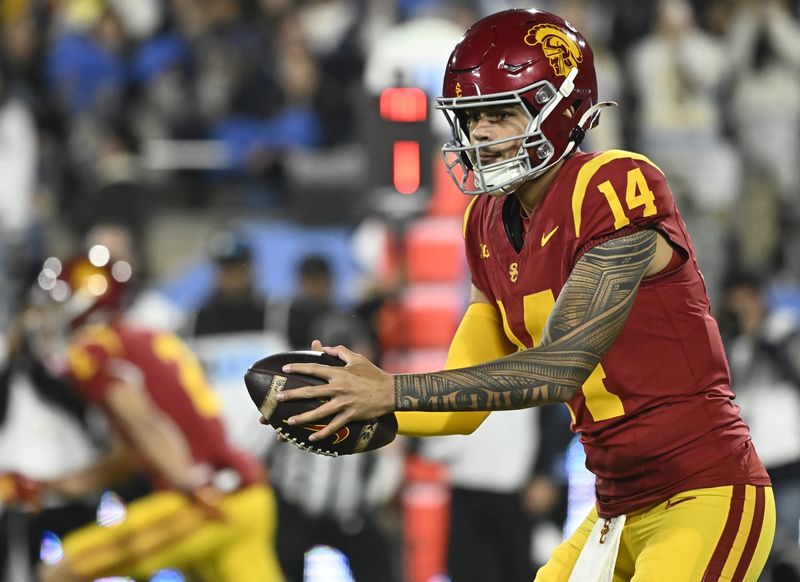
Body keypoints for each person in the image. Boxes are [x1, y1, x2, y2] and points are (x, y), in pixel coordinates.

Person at [273, 8, 775, 581]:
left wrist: (389, 389)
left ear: (559, 113)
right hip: (615, 509)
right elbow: (457, 415)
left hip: (704, 492)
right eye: (470, 117)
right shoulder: (484, 221)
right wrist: (346, 406)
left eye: (499, 114)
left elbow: (560, 366)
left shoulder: (611, 184)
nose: (479, 133)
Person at [25, 248, 283, 581]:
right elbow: (129, 457)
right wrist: (46, 487)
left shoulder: (94, 348)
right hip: (249, 494)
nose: (49, 317)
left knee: (62, 572)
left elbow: (143, 419)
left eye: (58, 304)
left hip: (205, 496)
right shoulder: (145, 337)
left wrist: (189, 483)